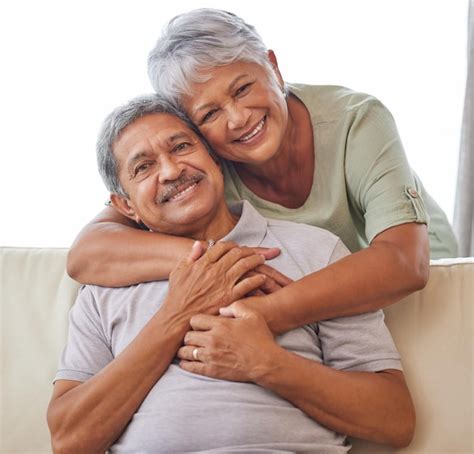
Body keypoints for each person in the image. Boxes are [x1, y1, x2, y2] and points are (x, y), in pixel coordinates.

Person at [47, 96, 415, 452]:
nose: (172, 170)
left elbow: (395, 420)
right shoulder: (104, 288)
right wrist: (176, 316)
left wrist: (267, 363)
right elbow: (68, 440)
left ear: (215, 159)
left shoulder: (317, 252)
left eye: (181, 147)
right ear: (125, 205)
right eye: (143, 167)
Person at [67, 8, 457, 333]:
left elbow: (405, 263)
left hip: (419, 282)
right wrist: (219, 261)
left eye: (242, 89)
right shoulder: (199, 166)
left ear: (273, 67)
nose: (238, 119)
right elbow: (87, 253)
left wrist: (272, 312)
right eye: (210, 113)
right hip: (310, 298)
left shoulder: (356, 120)